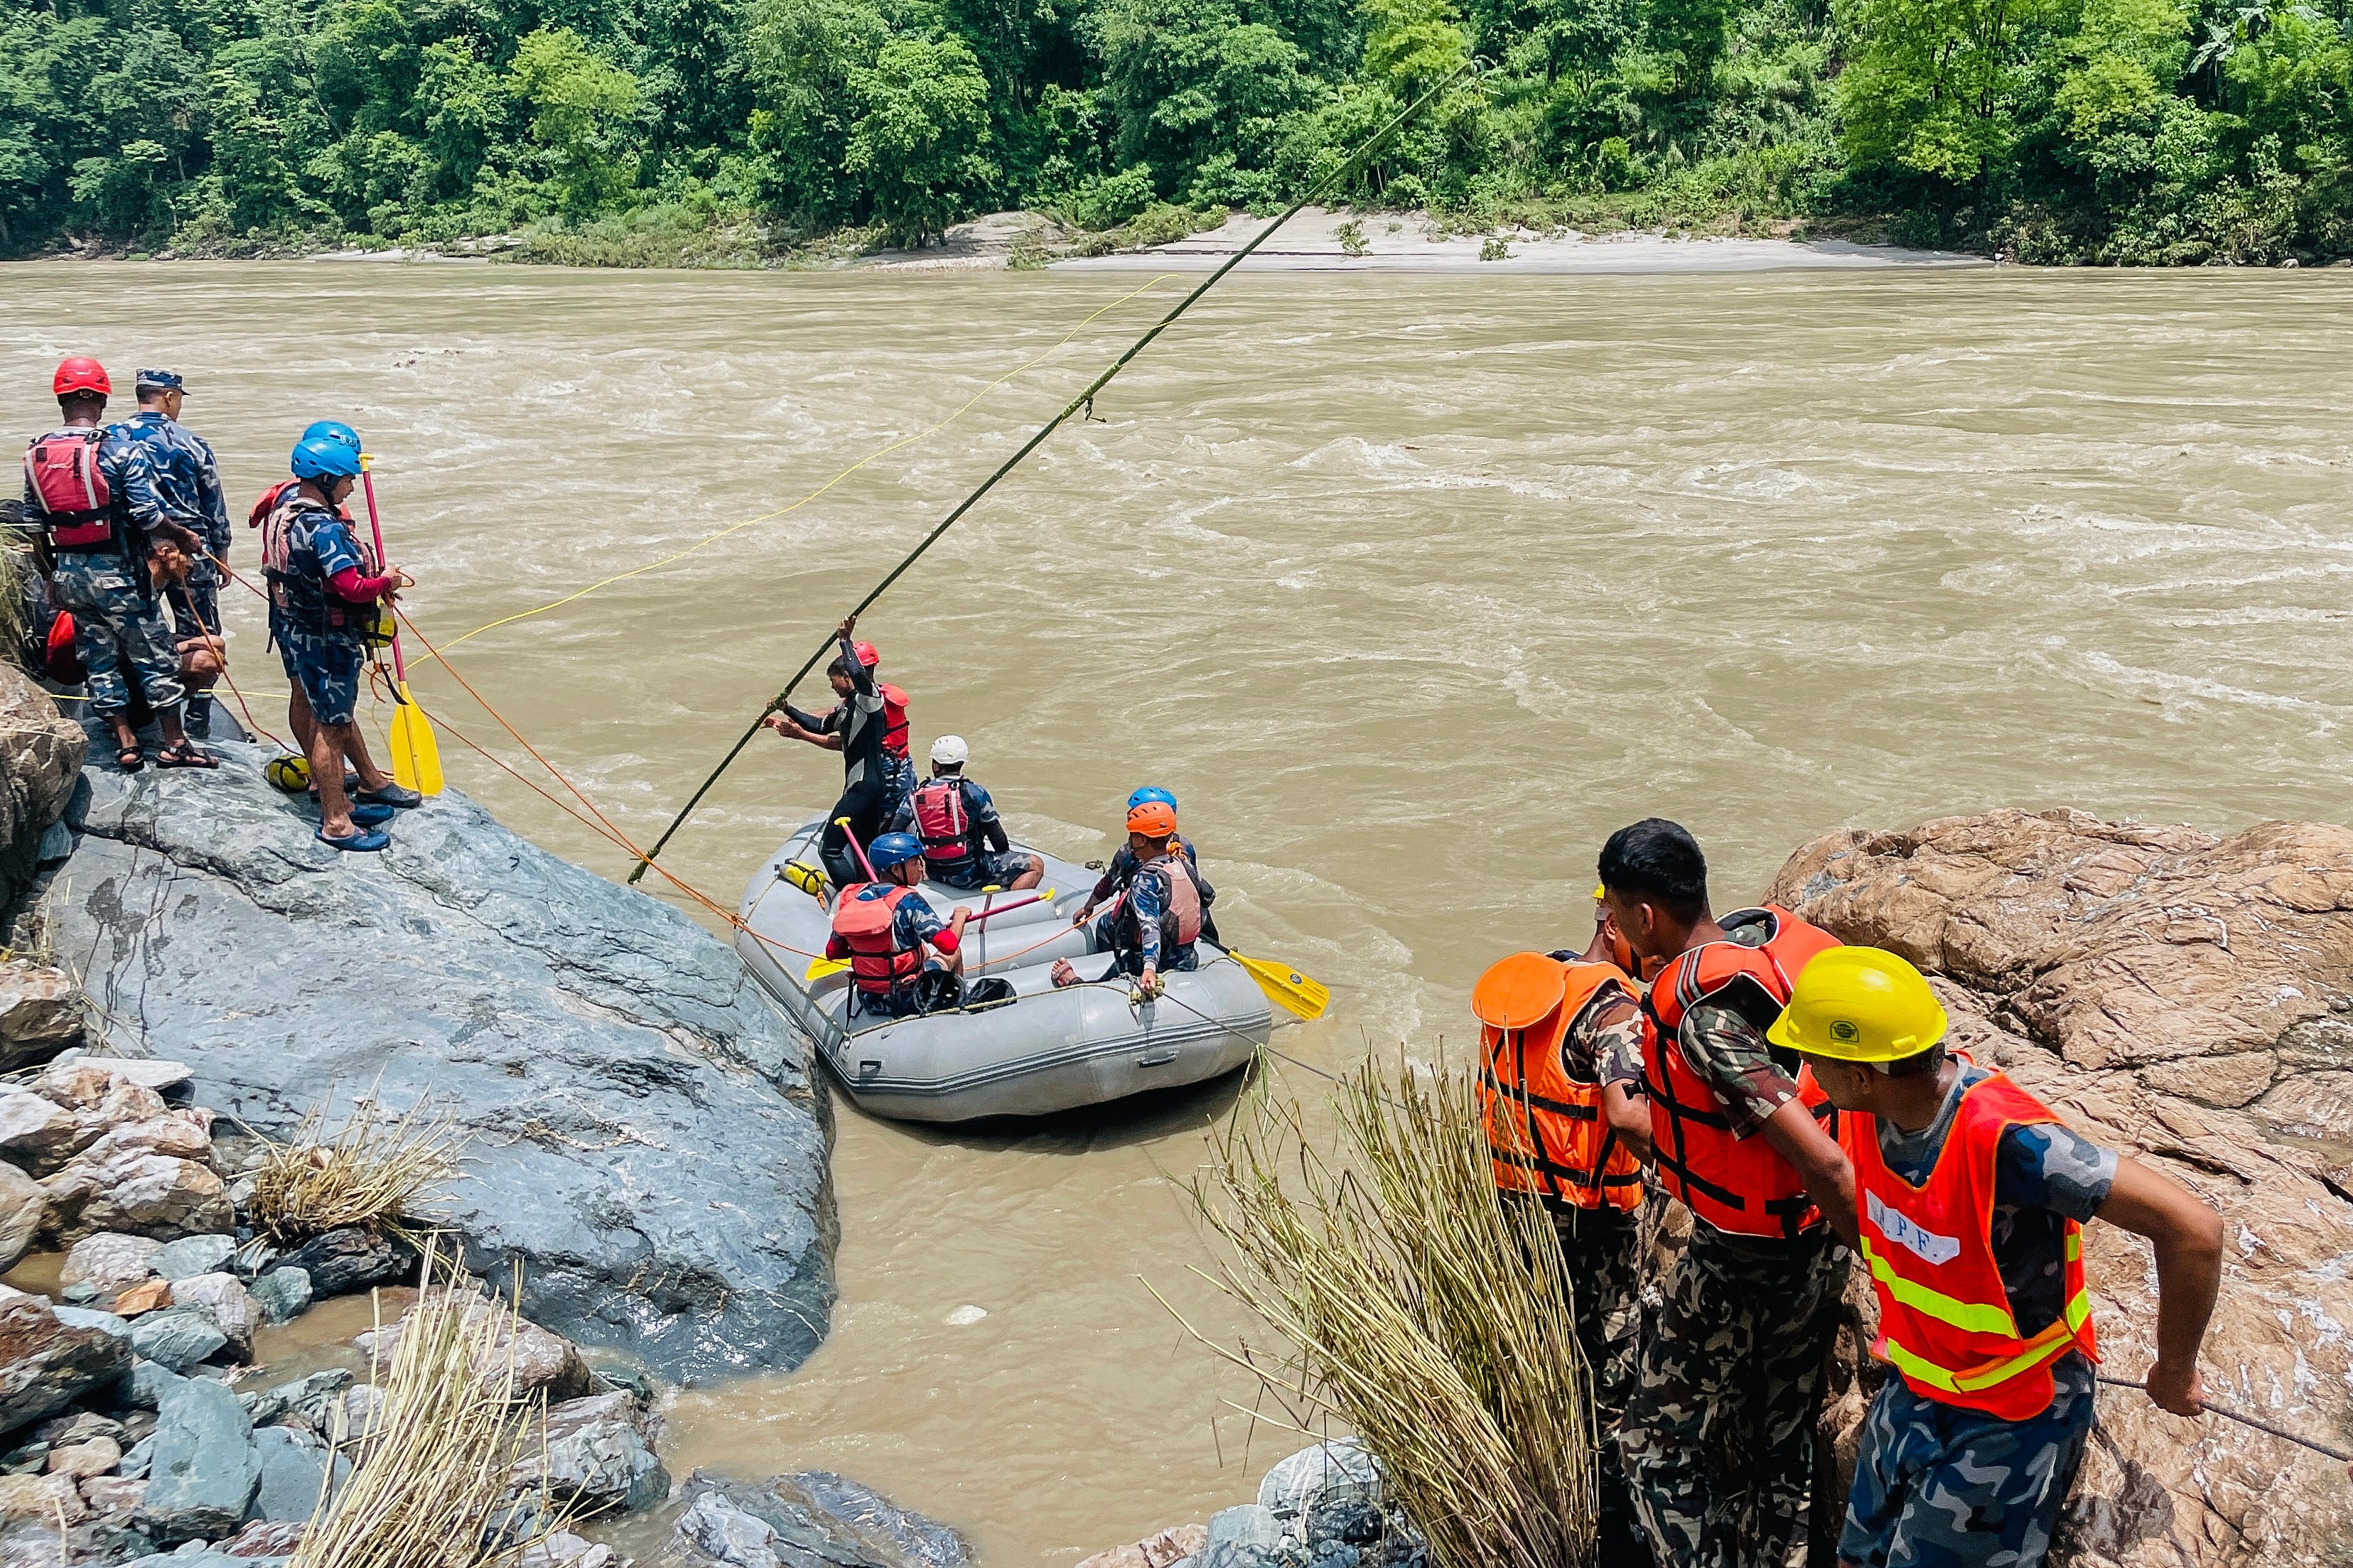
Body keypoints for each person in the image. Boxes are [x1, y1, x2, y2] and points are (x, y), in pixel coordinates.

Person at [1775, 946, 2222, 1568]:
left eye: (1813, 1057)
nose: (1805, 1069)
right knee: (1856, 1556)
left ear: (1860, 1074)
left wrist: (2174, 1368)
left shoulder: (2008, 1143)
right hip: (1921, 1376)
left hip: (2015, 1401)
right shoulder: (1866, 1112)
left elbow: (2192, 1228)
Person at [1600, 817, 1853, 1568]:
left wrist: (1869, 1245)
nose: (1609, 922)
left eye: (1613, 908)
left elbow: (1824, 1160)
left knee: (1649, 1442)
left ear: (1643, 915)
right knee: (1778, 1436)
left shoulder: (1705, 1018)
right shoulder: (1763, 942)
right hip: (1802, 1244)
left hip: (1746, 1254)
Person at [1472, 931, 1653, 1567]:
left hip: (1512, 1199)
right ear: (1618, 925)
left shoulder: (1531, 979)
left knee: (1540, 1342)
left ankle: (1535, 1471)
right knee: (1608, 1353)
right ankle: (1608, 1511)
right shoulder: (1614, 1011)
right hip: (1590, 1216)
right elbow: (1629, 1117)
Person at [21, 357, 213, 772]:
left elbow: (35, 525)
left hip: (69, 574)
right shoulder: (117, 449)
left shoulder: (36, 453)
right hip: (120, 575)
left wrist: (51, 579)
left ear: (61, 400)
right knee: (156, 656)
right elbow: (147, 516)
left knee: (99, 658)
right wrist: (183, 536)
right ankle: (175, 743)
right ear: (104, 400)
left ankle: (125, 743)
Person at [260, 435, 414, 850]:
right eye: (346, 479)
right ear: (326, 479)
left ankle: (340, 794)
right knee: (333, 724)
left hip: (291, 626)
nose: (351, 487)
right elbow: (351, 586)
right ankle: (336, 821)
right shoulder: (323, 528)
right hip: (326, 637)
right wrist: (387, 581)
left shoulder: (285, 508)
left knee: (317, 709)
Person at [112, 369, 230, 735]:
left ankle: (135, 716)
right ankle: (196, 725)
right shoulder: (192, 443)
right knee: (204, 632)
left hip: (134, 552)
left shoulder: (112, 439)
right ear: (167, 396)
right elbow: (214, 506)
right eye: (178, 398)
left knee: (130, 631)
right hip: (191, 549)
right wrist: (222, 553)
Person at [765, 616, 891, 888]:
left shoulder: (871, 699)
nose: (833, 687)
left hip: (863, 787)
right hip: (865, 786)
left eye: (835, 681)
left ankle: (854, 895)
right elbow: (820, 726)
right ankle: (874, 891)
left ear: (847, 677)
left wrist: (845, 640)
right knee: (864, 846)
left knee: (830, 849)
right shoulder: (849, 707)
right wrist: (787, 709)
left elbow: (860, 675)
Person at [1055, 799, 1209, 996]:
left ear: (1142, 840)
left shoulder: (1146, 879)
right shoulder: (1182, 865)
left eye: (1133, 836)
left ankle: (1073, 983)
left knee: (1095, 989)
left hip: (1158, 962)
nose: (1130, 841)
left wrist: (1149, 968)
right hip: (1187, 957)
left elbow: (1149, 925)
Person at [824, 831, 971, 1018]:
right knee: (953, 955)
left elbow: (834, 952)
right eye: (914, 862)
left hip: (870, 1000)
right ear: (895, 869)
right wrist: (960, 916)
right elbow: (949, 945)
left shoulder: (853, 898)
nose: (921, 868)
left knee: (922, 954)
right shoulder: (909, 901)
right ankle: (960, 1003)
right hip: (909, 998)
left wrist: (870, 959)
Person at [1070, 786, 1222, 946]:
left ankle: (1116, 962)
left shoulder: (1128, 852)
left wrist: (1088, 907)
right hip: (1191, 921)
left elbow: (1108, 885)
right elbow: (1203, 893)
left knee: (1104, 925)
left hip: (1152, 923)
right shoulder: (1185, 846)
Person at [890, 735, 1044, 890]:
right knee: (1036, 864)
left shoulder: (915, 795)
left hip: (934, 871)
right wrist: (1004, 858)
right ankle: (1010, 905)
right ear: (962, 763)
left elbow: (895, 831)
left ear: (936, 765)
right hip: (972, 872)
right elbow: (998, 838)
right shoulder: (975, 793)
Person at [855, 639, 917, 818]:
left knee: (885, 826)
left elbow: (849, 743)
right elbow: (834, 712)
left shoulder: (868, 706)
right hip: (904, 768)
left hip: (889, 776)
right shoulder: (883, 695)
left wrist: (801, 734)